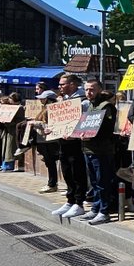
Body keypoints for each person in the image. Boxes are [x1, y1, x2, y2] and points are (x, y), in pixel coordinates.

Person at [77, 79, 118, 224]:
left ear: (100, 90)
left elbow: (106, 129)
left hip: (102, 151)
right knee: (94, 182)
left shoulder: (106, 106)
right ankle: (95, 208)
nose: (89, 92)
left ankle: (104, 211)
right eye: (87, 89)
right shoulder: (90, 106)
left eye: (92, 89)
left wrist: (90, 134)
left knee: (103, 182)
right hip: (89, 149)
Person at [51, 74, 90, 219]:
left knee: (77, 172)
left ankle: (79, 203)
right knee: (67, 171)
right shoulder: (65, 101)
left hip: (76, 143)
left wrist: (75, 132)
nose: (60, 87)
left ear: (73, 84)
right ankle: (70, 200)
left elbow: (86, 122)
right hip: (63, 142)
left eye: (63, 84)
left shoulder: (83, 101)